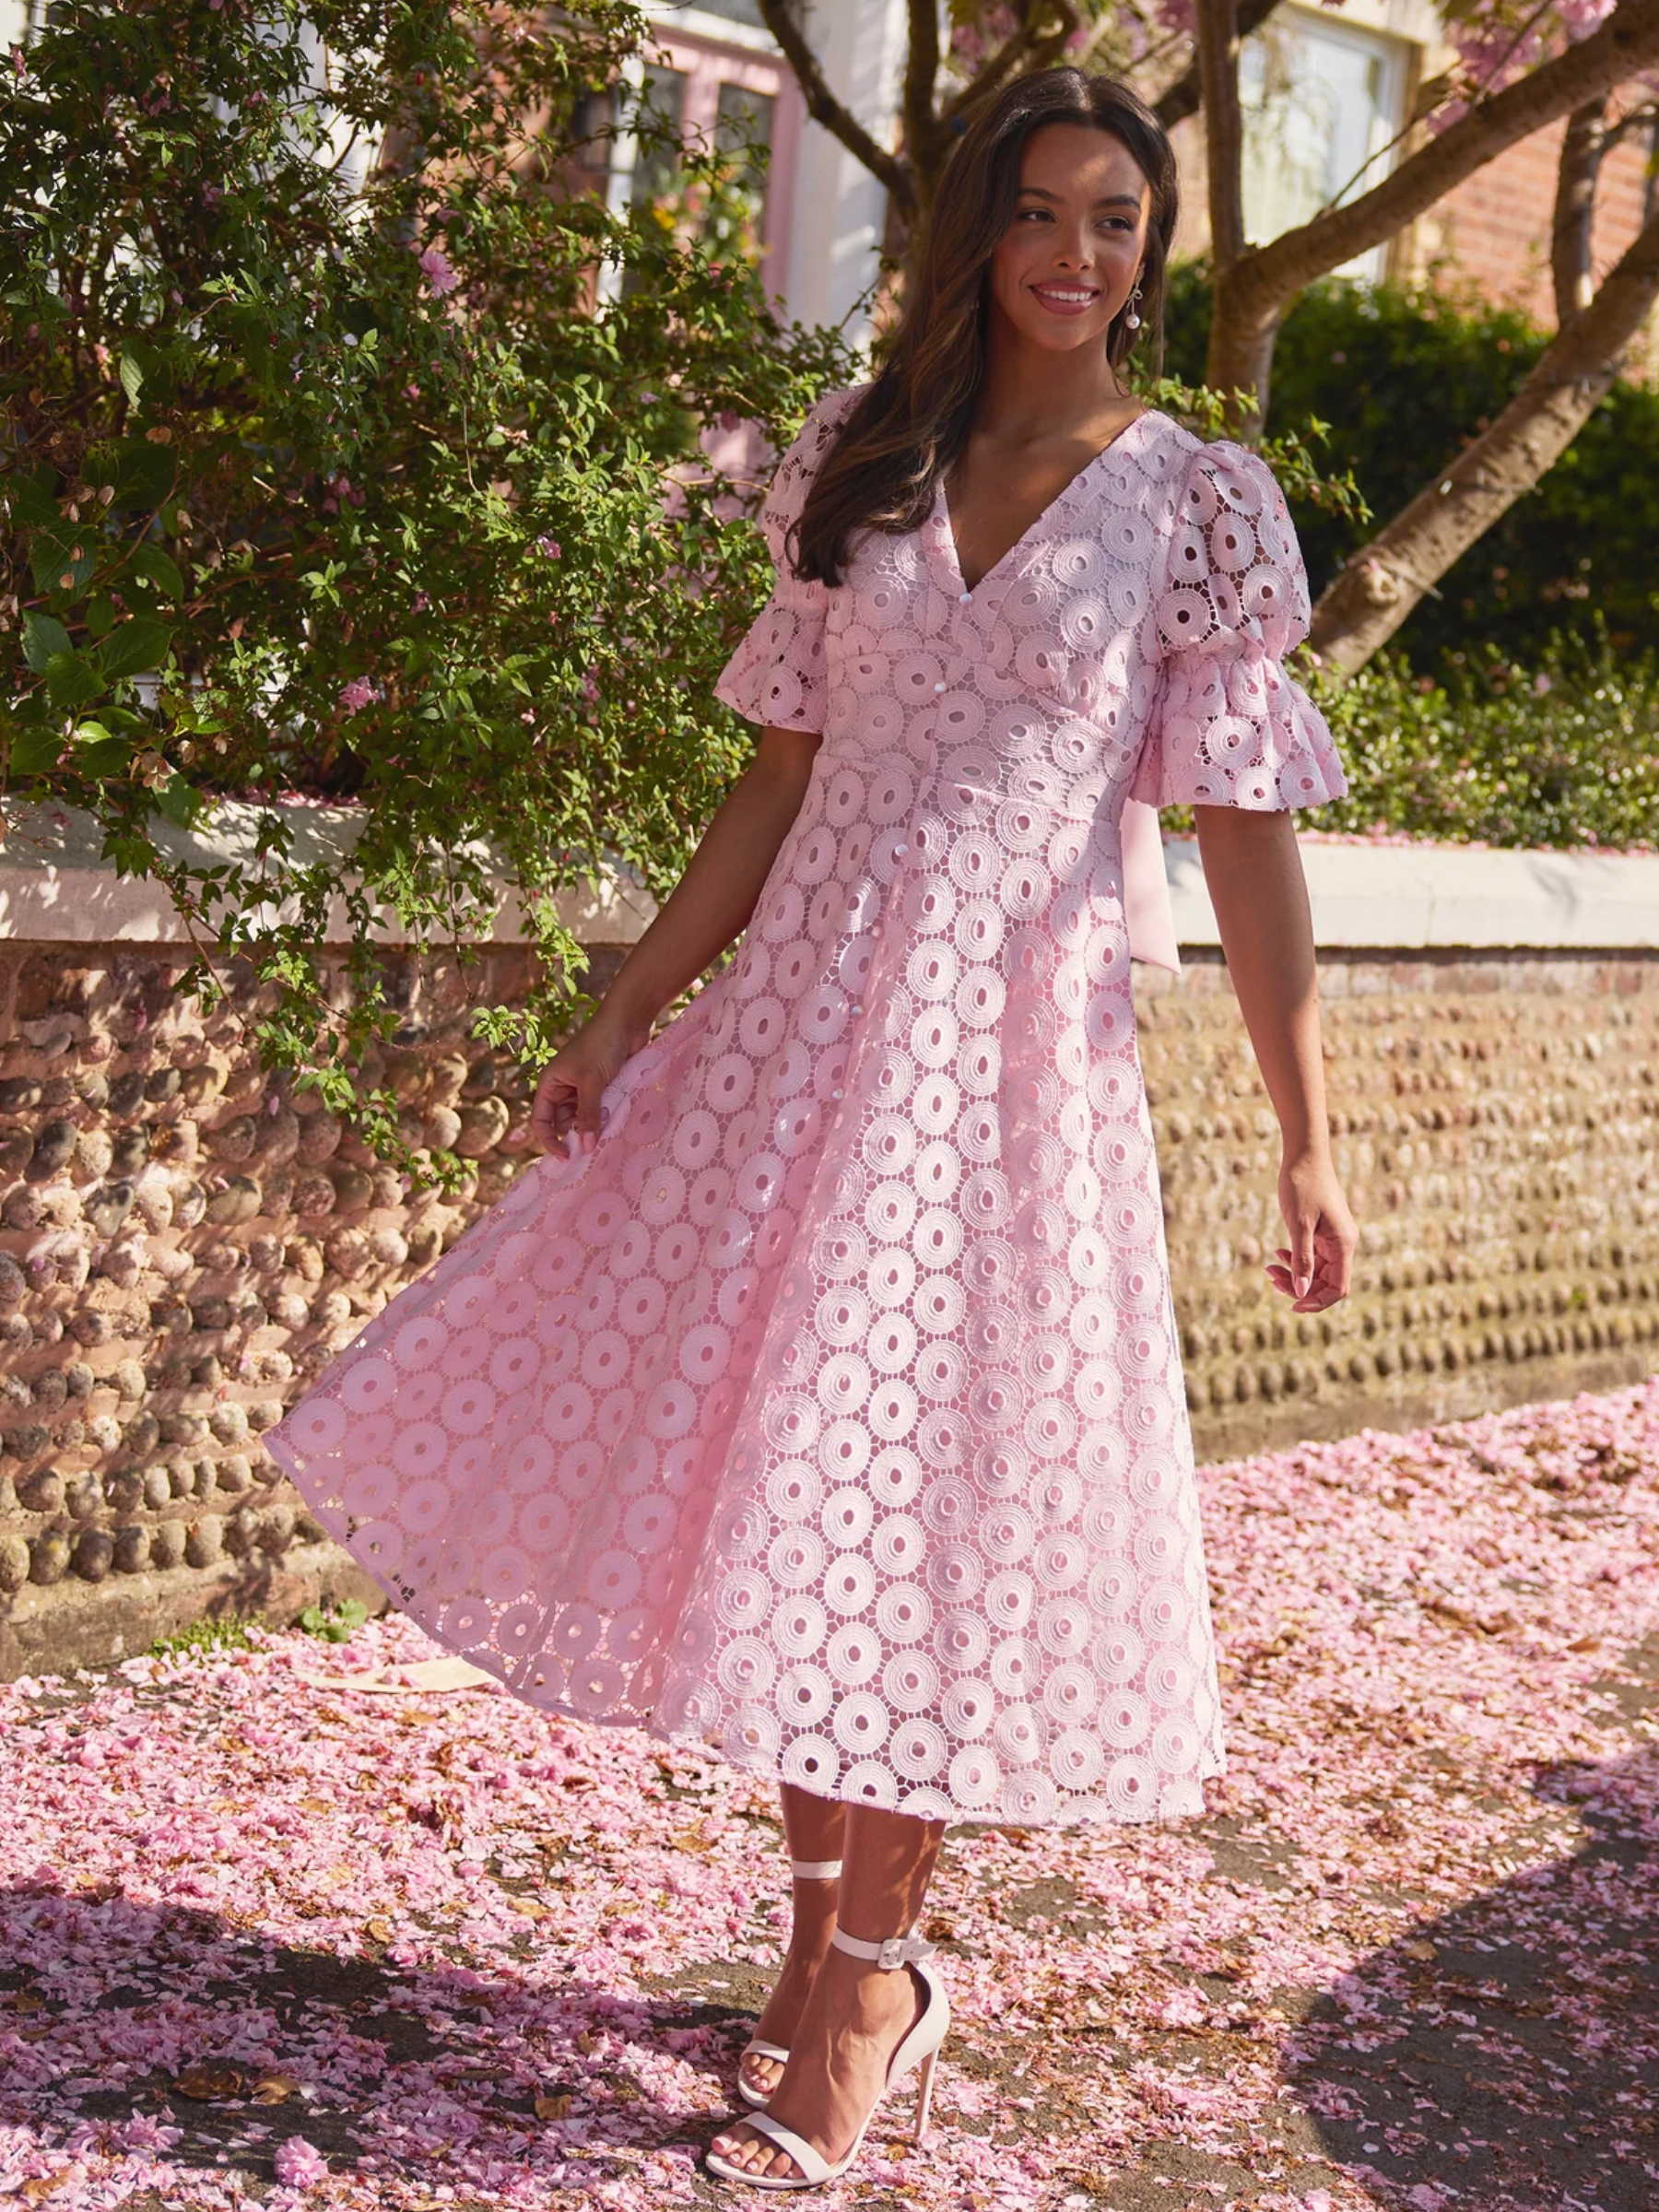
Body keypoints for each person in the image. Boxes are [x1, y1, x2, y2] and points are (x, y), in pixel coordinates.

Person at [267, 65, 1357, 2195]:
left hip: (1011, 1088)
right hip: (797, 1064)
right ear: (979, 231)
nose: (1075, 254)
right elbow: (768, 788)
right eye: (1039, 211)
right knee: (782, 1509)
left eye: (1116, 219)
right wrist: (622, 999)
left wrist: (1305, 1130)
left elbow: (1247, 841)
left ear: (1154, 248)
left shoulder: (1197, 502)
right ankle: (810, 1941)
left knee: (926, 1527)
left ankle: (875, 1972)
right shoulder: (864, 472)